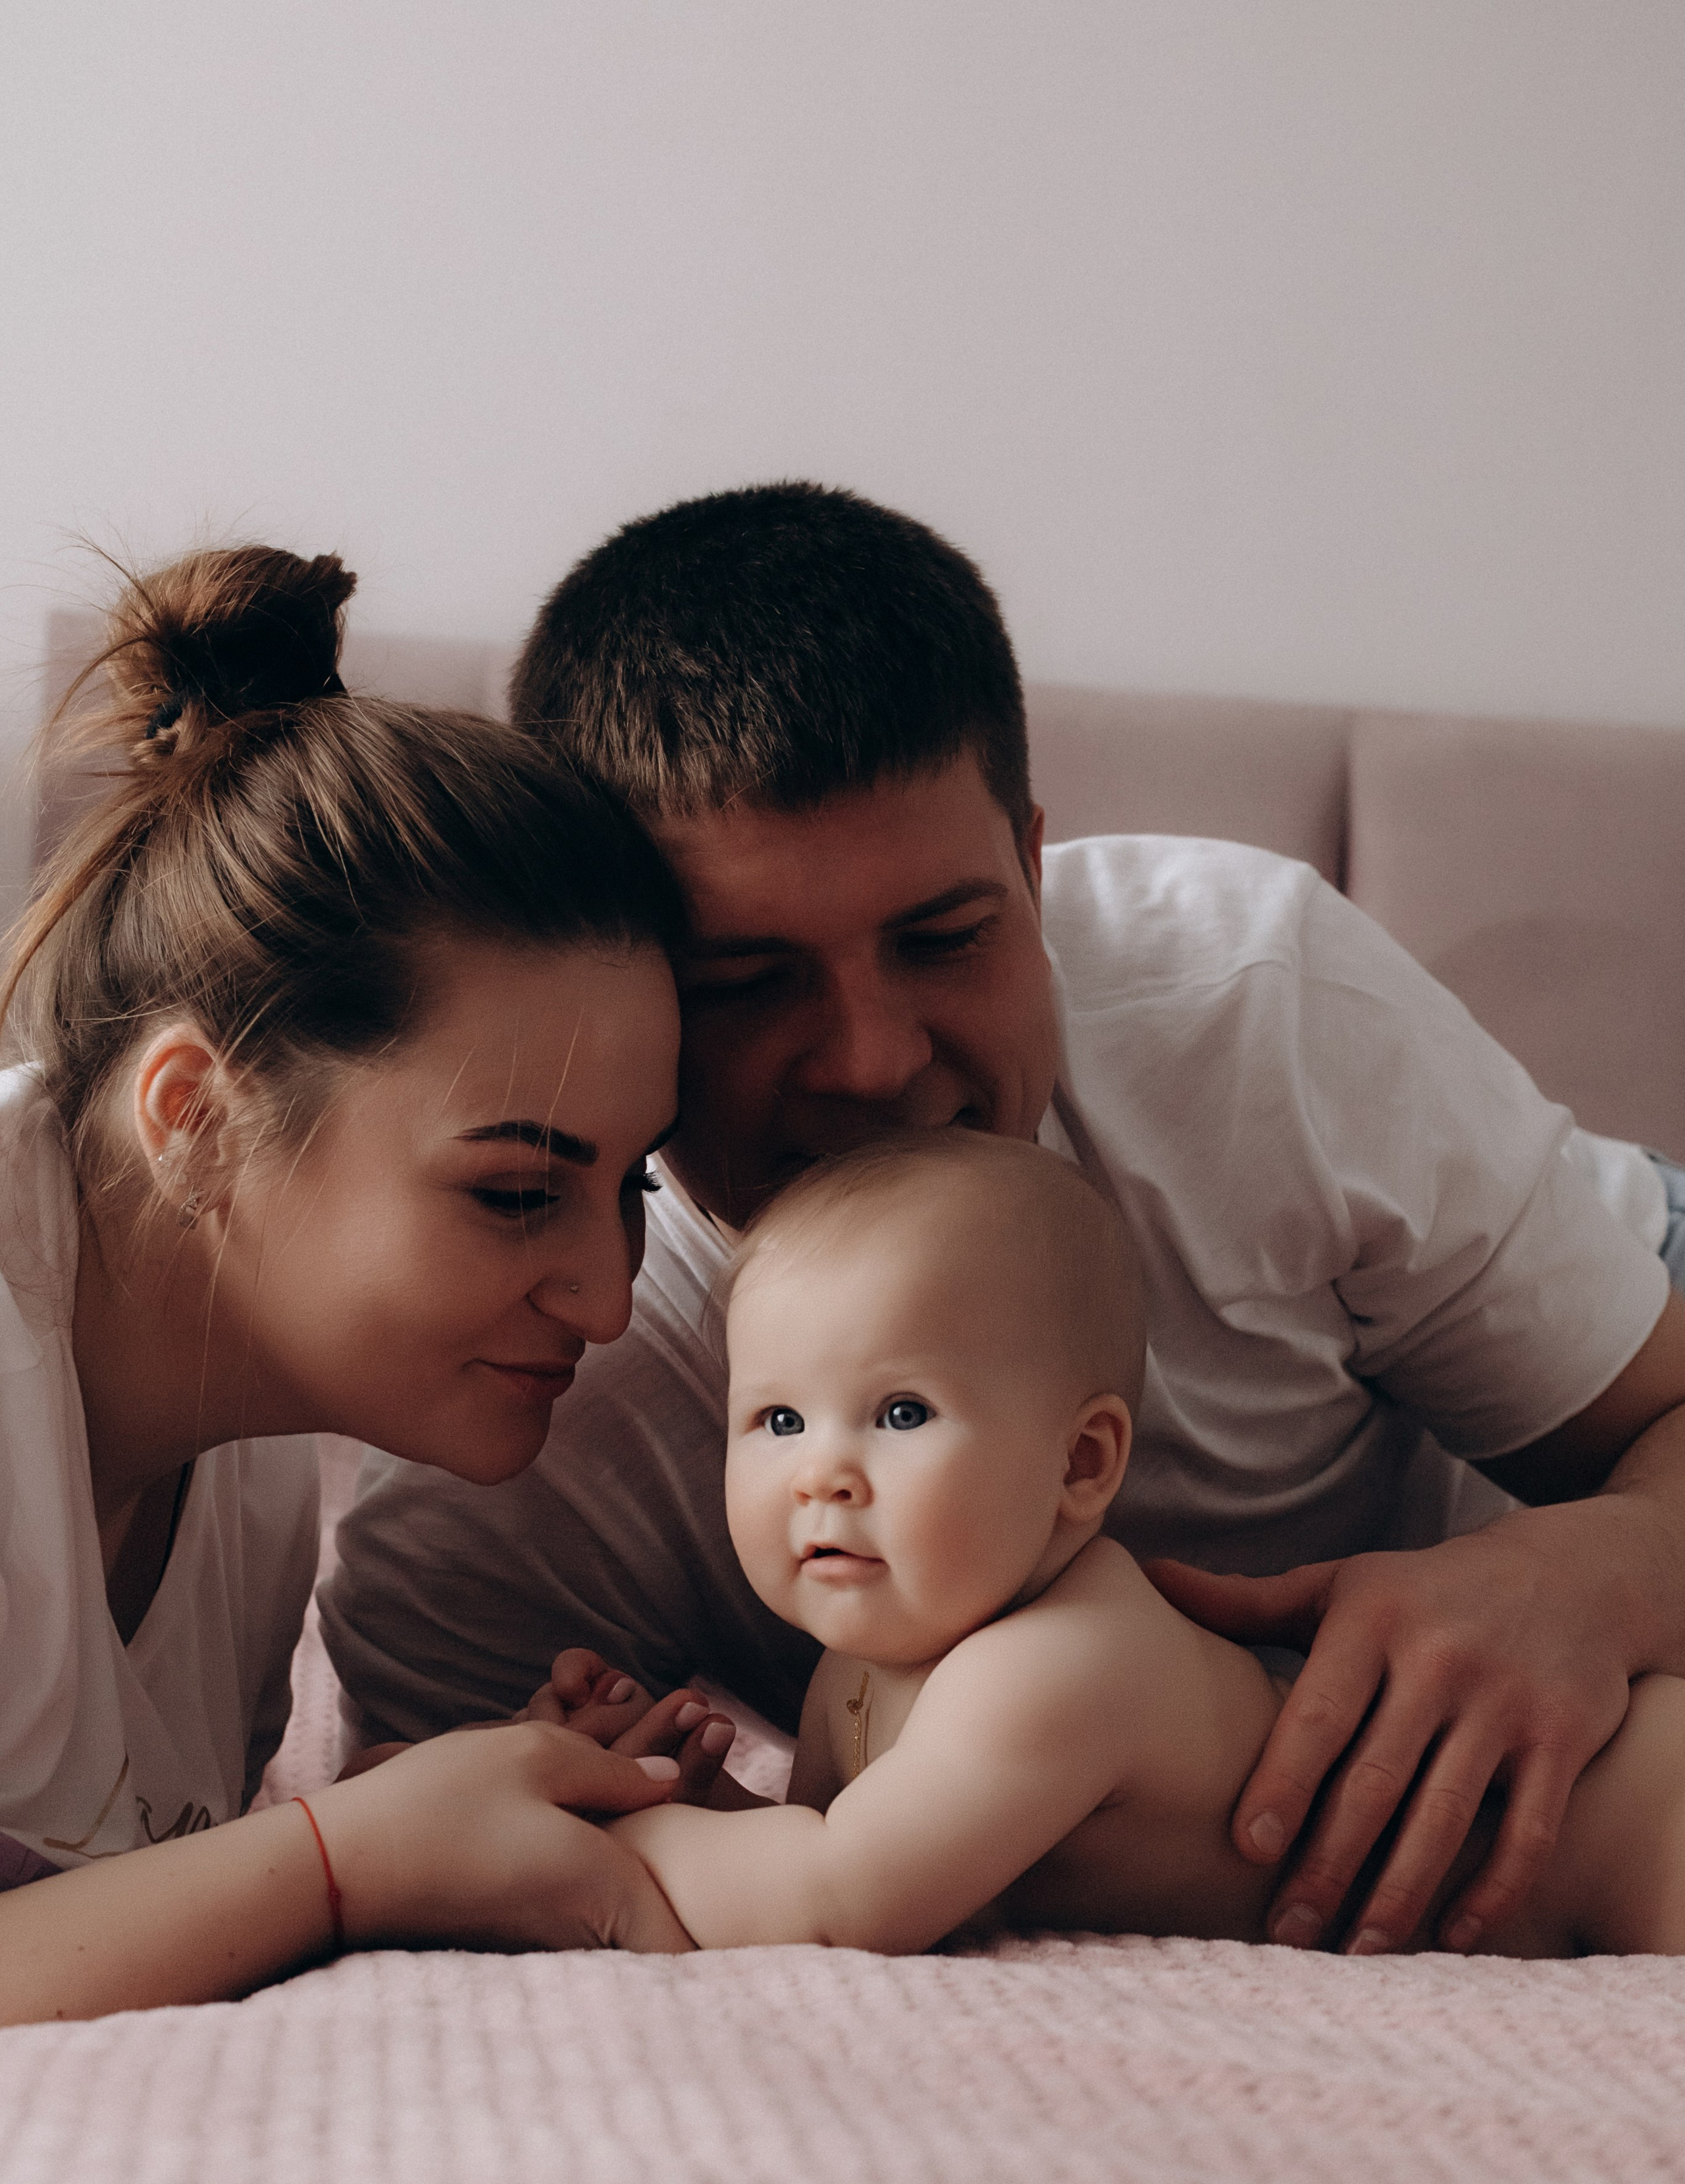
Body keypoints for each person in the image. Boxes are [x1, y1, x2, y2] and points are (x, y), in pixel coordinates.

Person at [322, 482, 1685, 1962]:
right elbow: (465, 1838)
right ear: (622, 979)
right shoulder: (523, 1449)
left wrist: (1595, 1569)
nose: (871, 1059)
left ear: (1032, 872)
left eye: (945, 938)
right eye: (748, 981)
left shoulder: (1253, 1012)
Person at [0, 542, 733, 2026]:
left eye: (631, 1186)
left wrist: (444, 1814)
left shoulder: (256, 1479)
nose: (606, 1299)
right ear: (196, 1117)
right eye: (517, 1192)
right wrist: (339, 1860)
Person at [602, 1131, 1685, 1959]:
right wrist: (676, 1796)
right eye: (778, 1420)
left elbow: (842, 1895)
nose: (820, 1473)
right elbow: (834, 1841)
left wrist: (586, 1847)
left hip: (1625, 1806)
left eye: (900, 1414)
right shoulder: (857, 1668)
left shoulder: (1057, 1666)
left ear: (1080, 1464)